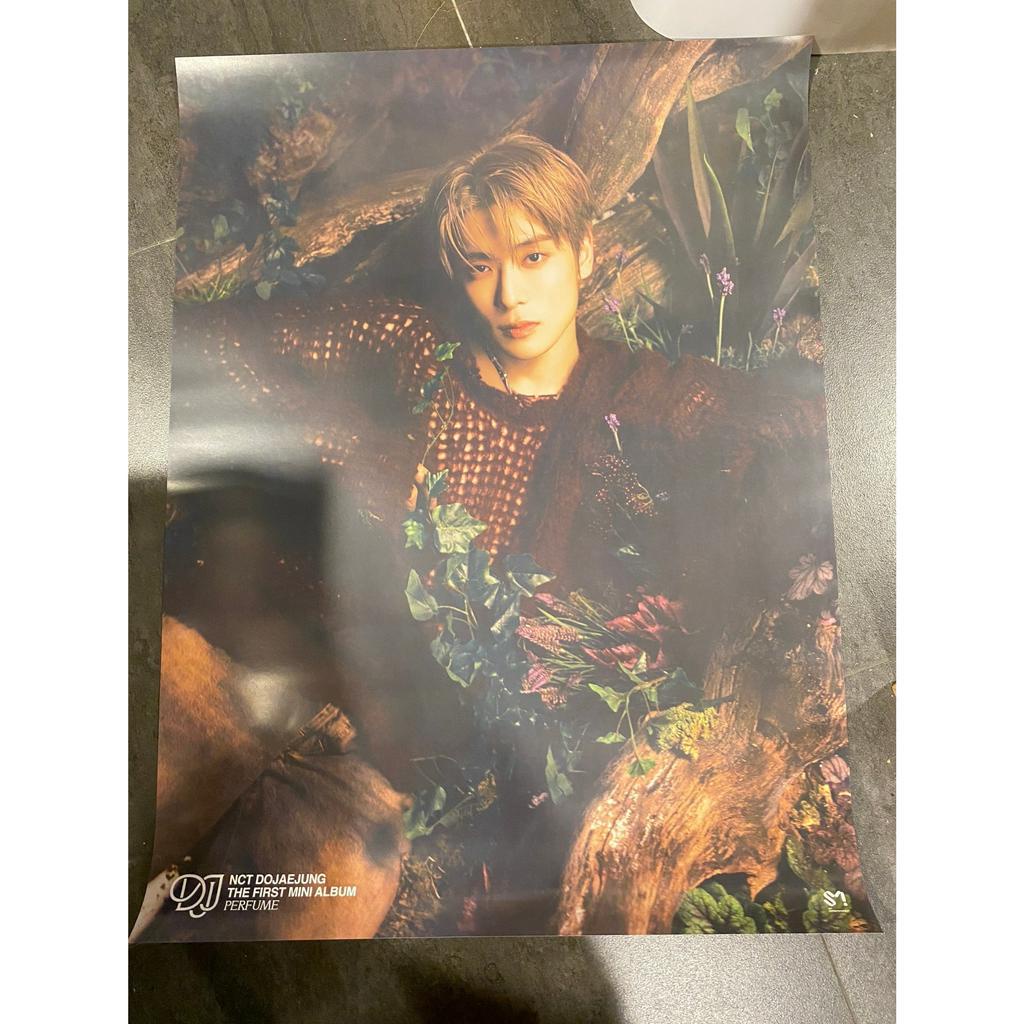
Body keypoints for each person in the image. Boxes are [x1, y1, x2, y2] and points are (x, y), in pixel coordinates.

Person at [140, 132, 835, 940]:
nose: (509, 294)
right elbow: (205, 346)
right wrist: (335, 450)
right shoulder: (411, 347)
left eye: (534, 257)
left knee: (305, 923)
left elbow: (810, 431)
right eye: (479, 267)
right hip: (224, 665)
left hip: (363, 775)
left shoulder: (641, 399)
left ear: (585, 251)